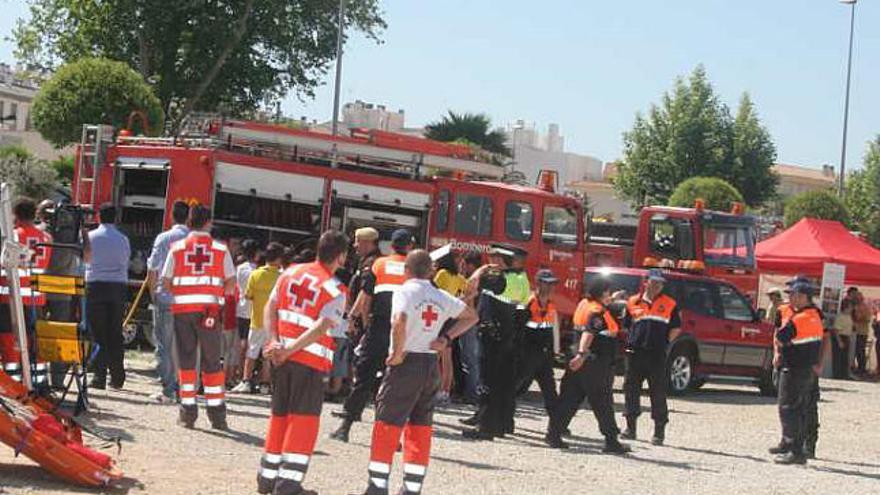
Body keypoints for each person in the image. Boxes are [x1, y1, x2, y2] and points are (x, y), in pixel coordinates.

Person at [356, 249, 477, 495]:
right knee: (420, 426)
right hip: (430, 364)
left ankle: (377, 487)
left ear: (406, 270)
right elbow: (471, 316)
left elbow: (399, 320)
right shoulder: (440, 295)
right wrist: (445, 338)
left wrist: (398, 352)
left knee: (387, 423)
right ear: (431, 271)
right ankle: (412, 488)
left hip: (407, 362)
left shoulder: (405, 291)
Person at [255, 230, 349, 495]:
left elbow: (270, 307)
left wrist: (274, 342)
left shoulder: (291, 272)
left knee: (279, 417)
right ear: (340, 256)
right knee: (303, 422)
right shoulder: (335, 289)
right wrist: (290, 350)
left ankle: (267, 479)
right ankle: (288, 486)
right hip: (307, 362)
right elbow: (322, 327)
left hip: (280, 359)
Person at [331, 229, 414, 443]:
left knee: (364, 378)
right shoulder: (414, 268)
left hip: (378, 328)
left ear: (391, 245)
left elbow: (365, 297)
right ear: (410, 246)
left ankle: (345, 428)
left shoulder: (380, 264)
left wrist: (356, 321)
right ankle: (391, 438)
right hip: (402, 332)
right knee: (393, 383)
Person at [161, 205, 235, 429]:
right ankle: (217, 416)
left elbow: (166, 281)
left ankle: (188, 413)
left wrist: (183, 293)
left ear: (189, 221)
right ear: (208, 222)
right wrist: (215, 294)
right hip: (209, 313)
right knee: (212, 362)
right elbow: (231, 284)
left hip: (183, 312)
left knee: (186, 361)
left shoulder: (177, 248)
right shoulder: (220, 250)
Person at [546, 277, 630, 454]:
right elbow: (589, 333)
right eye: (607, 291)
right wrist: (582, 355)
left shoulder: (584, 303)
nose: (609, 295)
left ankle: (553, 433)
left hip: (579, 359)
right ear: (602, 293)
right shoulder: (597, 311)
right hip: (594, 363)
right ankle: (611, 440)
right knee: (603, 402)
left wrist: (577, 356)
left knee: (569, 398)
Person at [621, 268, 681, 446]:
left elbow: (676, 327)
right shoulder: (632, 302)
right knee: (631, 389)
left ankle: (659, 432)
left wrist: (665, 342)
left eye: (660, 283)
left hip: (656, 355)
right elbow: (626, 326)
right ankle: (630, 428)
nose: (656, 286)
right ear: (645, 282)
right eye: (653, 282)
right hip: (635, 353)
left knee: (658, 392)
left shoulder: (670, 303)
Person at [0, 198, 54, 387]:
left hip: (12, 299)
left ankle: (13, 383)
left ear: (15, 214)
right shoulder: (46, 238)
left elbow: (4, 265)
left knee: (9, 340)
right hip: (37, 299)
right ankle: (39, 384)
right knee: (34, 342)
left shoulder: (12, 237)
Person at [771, 278, 825, 465]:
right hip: (804, 367)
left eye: (793, 295)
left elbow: (782, 335)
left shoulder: (801, 318)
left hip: (795, 368)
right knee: (800, 409)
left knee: (789, 408)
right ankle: (796, 448)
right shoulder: (814, 316)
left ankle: (796, 450)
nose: (790, 298)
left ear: (803, 296)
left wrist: (782, 347)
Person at [462, 267, 518, 440]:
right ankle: (498, 426)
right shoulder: (509, 293)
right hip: (504, 343)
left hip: (490, 343)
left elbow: (470, 286)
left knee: (486, 386)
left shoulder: (490, 295)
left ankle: (485, 427)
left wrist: (479, 273)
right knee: (500, 386)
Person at [146, 200, 190, 403]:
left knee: (164, 344)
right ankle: (186, 388)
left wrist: (153, 294)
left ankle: (169, 389)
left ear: (172, 215)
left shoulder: (163, 238)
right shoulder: (194, 240)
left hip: (166, 298)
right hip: (189, 301)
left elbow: (153, 269)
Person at [331, 228, 382, 401]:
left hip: (364, 321)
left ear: (368, 243)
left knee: (360, 361)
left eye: (358, 241)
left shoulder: (372, 263)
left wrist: (355, 318)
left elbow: (366, 294)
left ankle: (357, 399)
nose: (355, 245)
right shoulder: (367, 261)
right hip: (363, 321)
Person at [84, 203, 130, 390]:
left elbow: (85, 259)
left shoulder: (90, 237)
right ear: (116, 218)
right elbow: (125, 260)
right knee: (114, 333)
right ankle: (117, 377)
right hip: (117, 287)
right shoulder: (123, 239)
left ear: (98, 217)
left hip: (95, 286)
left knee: (98, 333)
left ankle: (99, 376)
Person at [233, 242, 284, 394]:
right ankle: (265, 384)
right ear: (279, 259)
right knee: (268, 355)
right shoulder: (282, 277)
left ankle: (246, 381)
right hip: (273, 322)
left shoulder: (255, 274)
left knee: (251, 352)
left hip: (256, 320)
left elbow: (248, 296)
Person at [514, 269, 560, 417]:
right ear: (538, 283)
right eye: (548, 283)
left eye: (553, 284)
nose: (551, 287)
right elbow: (518, 329)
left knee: (550, 393)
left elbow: (552, 330)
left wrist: (553, 352)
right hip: (527, 355)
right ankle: (496, 419)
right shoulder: (528, 303)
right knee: (514, 389)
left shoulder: (551, 305)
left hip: (544, 356)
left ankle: (556, 428)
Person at [432, 248, 467, 405]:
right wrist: (459, 301)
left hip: (440, 317)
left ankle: (431, 390)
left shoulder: (442, 274)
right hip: (451, 317)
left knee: (435, 356)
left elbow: (433, 292)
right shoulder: (459, 277)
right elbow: (471, 291)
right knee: (447, 358)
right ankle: (445, 392)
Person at [456, 251, 484, 404]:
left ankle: (472, 394)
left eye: (464, 264)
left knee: (469, 359)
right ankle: (472, 392)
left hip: (470, 323)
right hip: (475, 322)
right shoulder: (481, 280)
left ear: (470, 265)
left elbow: (468, 304)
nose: (462, 267)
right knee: (472, 358)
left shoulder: (472, 282)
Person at [235, 239, 260, 379]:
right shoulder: (256, 271)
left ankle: (238, 370)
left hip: (241, 306)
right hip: (253, 309)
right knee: (250, 344)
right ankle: (245, 372)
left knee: (241, 341)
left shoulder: (239, 268)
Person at [849, 288, 872, 375]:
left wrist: (858, 316)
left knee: (860, 350)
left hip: (862, 332)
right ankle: (854, 367)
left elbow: (867, 318)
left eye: (857, 297)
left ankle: (862, 369)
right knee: (854, 350)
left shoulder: (864, 306)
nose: (856, 298)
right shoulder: (854, 306)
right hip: (854, 332)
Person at [831, 299, 853, 380]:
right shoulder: (840, 316)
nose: (851, 308)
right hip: (840, 337)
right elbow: (836, 330)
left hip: (846, 337)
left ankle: (844, 374)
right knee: (838, 357)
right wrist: (839, 341)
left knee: (845, 357)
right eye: (850, 307)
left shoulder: (849, 316)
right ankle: (837, 375)